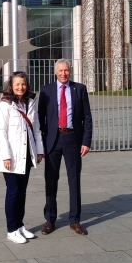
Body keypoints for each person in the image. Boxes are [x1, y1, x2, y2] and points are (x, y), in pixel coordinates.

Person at [38, 59, 92, 236]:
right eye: (60, 70)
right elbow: (40, 120)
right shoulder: (46, 91)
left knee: (74, 180)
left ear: (70, 71)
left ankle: (75, 220)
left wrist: (86, 141)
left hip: (72, 139)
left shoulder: (80, 89)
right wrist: (41, 145)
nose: (63, 73)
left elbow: (87, 117)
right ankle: (50, 219)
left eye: (66, 70)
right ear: (55, 72)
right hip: (52, 140)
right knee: (51, 180)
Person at [0, 71, 44, 244]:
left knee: (22, 192)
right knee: (13, 191)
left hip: (27, 154)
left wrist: (39, 151)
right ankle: (11, 229)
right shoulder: (4, 105)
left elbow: (36, 129)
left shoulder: (30, 103)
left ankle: (20, 225)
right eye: (17, 84)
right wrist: (6, 156)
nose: (20, 87)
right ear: (11, 85)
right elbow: (0, 133)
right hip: (11, 156)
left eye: (23, 84)